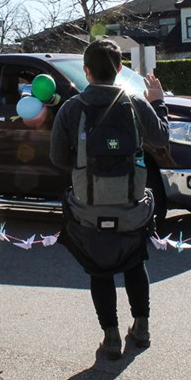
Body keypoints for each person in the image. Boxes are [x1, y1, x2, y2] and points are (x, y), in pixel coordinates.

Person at [50, 39, 169, 360]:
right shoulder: (135, 104)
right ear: (119, 69)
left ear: (86, 71)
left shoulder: (72, 109)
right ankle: (141, 327)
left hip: (87, 209)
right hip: (133, 207)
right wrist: (157, 102)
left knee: (99, 271)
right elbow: (160, 139)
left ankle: (111, 337)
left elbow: (58, 158)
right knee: (135, 261)